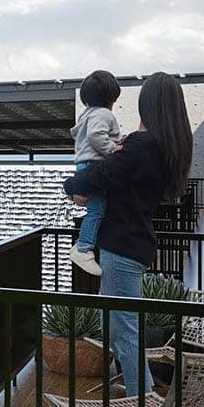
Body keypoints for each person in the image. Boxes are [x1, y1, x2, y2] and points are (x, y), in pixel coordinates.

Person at [65, 72, 194, 391]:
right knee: (115, 324)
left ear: (146, 105)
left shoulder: (141, 145)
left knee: (124, 332)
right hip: (134, 245)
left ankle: (139, 405)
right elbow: (111, 177)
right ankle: (140, 389)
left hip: (121, 247)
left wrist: (70, 186)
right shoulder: (165, 148)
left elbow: (98, 175)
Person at [67, 70, 123, 276]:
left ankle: (82, 243)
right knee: (97, 210)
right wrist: (112, 148)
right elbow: (96, 135)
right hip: (93, 165)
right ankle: (84, 249)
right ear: (112, 97)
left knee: (96, 208)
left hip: (84, 166)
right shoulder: (103, 114)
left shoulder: (88, 114)